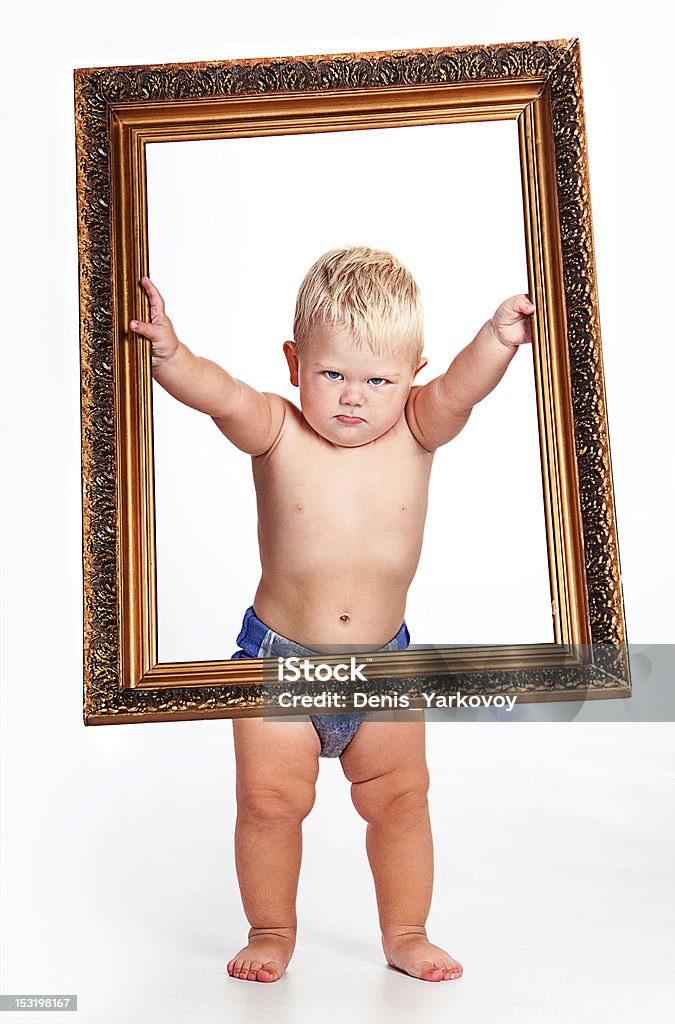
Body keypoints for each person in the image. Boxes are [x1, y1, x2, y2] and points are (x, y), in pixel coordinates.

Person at [130, 246, 534, 984]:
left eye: (378, 379)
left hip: (382, 667)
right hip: (276, 661)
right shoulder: (277, 430)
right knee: (269, 805)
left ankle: (406, 931)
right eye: (332, 374)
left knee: (402, 801)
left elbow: (462, 390)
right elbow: (220, 394)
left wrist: (498, 337)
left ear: (411, 374)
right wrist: (170, 355)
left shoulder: (417, 426)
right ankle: (271, 929)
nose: (354, 397)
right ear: (293, 363)